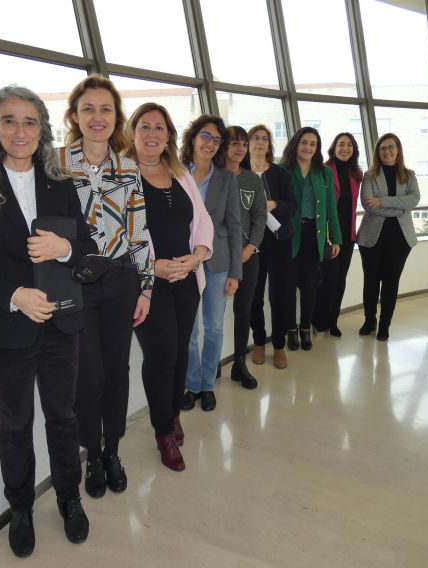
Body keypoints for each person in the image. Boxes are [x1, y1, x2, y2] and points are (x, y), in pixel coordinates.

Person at [0, 85, 96, 557]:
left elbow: (86, 248)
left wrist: (66, 249)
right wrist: (13, 295)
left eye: (30, 121)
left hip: (59, 322)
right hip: (6, 327)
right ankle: (21, 508)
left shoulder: (58, 180)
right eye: (9, 120)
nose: (20, 130)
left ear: (42, 130)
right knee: (15, 423)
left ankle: (69, 498)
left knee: (63, 416)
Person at [57, 74, 154, 499]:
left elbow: (139, 234)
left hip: (119, 281)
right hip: (75, 282)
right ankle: (91, 454)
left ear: (118, 118)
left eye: (106, 109)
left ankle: (112, 451)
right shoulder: (56, 164)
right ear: (75, 116)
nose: (98, 117)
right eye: (89, 109)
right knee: (89, 377)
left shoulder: (129, 167)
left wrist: (146, 287)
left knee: (117, 371)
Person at [127, 102, 212, 470]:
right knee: (160, 356)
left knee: (179, 352)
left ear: (169, 136)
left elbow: (202, 219)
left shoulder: (179, 172)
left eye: (159, 128)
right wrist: (153, 268)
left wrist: (196, 257)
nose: (152, 134)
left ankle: (173, 412)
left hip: (187, 278)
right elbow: (114, 237)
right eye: (145, 126)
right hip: (149, 285)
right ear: (133, 132)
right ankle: (163, 431)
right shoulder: (121, 174)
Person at [180, 115, 241, 412]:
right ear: (193, 137)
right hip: (185, 261)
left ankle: (207, 385)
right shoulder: (175, 172)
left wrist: (235, 273)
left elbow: (234, 224)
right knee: (189, 329)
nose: (210, 144)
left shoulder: (227, 178)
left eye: (216, 140)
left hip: (218, 263)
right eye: (206, 136)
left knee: (214, 327)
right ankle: (192, 384)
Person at [280, 127, 341, 352]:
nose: (308, 147)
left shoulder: (324, 173)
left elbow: (330, 208)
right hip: (289, 236)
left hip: (313, 236)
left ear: (317, 148)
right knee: (287, 286)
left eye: (313, 144)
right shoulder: (283, 169)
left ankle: (305, 328)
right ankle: (290, 330)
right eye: (304, 142)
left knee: (309, 286)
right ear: (296, 143)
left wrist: (335, 238)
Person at [357, 133, 420, 341]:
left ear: (398, 150)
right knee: (371, 281)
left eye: (391, 147)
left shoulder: (409, 175)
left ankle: (385, 325)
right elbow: (368, 205)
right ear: (378, 152)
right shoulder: (370, 175)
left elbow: (414, 200)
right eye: (383, 148)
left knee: (391, 282)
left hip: (400, 238)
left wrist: (382, 201)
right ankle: (369, 320)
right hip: (372, 237)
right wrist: (399, 206)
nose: (387, 151)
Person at [245, 125, 296, 369]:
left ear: (269, 145)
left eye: (264, 139)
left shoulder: (281, 174)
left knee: (280, 295)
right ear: (248, 142)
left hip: (279, 242)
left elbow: (293, 206)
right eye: (255, 138)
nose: (260, 142)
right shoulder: (240, 173)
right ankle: (258, 342)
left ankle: (278, 345)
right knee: (254, 295)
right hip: (252, 244)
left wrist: (275, 204)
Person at [225, 126, 266, 389]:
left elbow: (260, 216)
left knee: (244, 310)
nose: (239, 149)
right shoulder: (213, 177)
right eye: (234, 143)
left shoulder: (252, 179)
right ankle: (209, 369)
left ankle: (240, 363)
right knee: (212, 316)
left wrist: (250, 247)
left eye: (243, 144)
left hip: (248, 256)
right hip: (216, 258)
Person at [313, 132, 363, 337]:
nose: (345, 148)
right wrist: (329, 236)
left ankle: (333, 321)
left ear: (354, 150)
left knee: (340, 278)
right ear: (333, 148)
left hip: (348, 235)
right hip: (328, 234)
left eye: (349, 145)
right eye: (341, 144)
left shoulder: (356, 174)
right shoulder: (324, 171)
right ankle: (318, 319)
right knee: (328, 278)